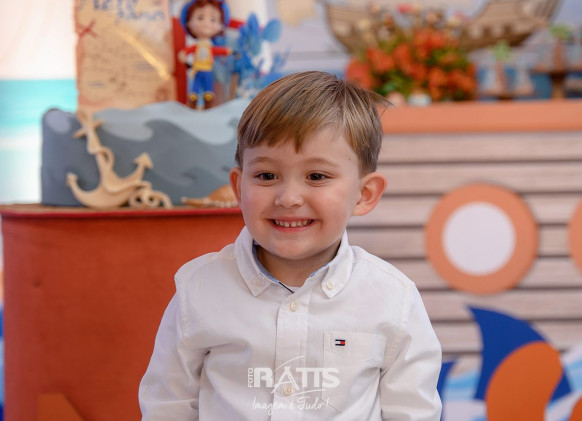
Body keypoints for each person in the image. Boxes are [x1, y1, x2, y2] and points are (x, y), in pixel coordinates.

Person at [139, 71, 442, 420]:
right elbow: (167, 407)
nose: (288, 198)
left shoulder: (393, 298)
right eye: (267, 176)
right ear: (239, 187)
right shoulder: (198, 289)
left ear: (364, 194)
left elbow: (414, 412)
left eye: (316, 177)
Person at [178, 0, 231, 109]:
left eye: (213, 19)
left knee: (208, 89)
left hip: (208, 70)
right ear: (188, 22)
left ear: (221, 25)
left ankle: (208, 106)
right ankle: (193, 105)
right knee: (194, 89)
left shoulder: (209, 47)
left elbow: (218, 51)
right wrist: (185, 60)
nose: (206, 23)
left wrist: (229, 52)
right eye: (200, 17)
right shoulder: (196, 47)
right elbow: (184, 53)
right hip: (196, 70)